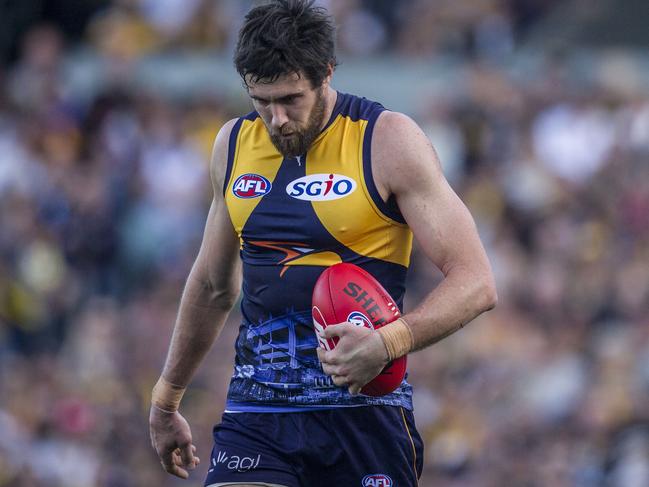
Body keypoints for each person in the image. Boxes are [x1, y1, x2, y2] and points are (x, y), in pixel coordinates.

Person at [149, 1, 497, 486]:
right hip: (259, 414)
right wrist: (166, 398)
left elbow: (476, 281)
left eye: (291, 98)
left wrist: (388, 341)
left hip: (364, 419)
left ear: (326, 73)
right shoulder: (232, 145)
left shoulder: (386, 140)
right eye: (261, 100)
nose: (277, 119)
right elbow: (212, 286)